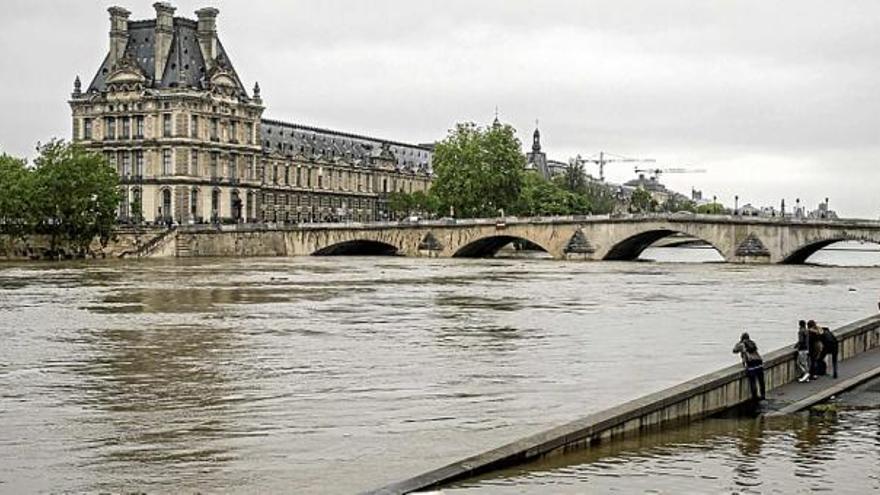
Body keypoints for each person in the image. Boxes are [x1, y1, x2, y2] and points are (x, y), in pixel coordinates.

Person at [733, 332, 766, 401]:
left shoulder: (741, 344)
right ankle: (763, 395)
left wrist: (739, 343)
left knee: (753, 381)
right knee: (761, 381)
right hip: (759, 362)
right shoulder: (752, 343)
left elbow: (734, 350)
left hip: (751, 363)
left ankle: (755, 397)